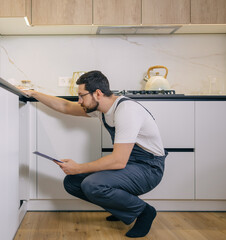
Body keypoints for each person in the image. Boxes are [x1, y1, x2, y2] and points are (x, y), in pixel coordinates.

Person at [22, 70, 167, 238]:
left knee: (92, 184)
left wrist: (79, 168)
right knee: (72, 183)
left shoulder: (126, 110)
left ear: (97, 93)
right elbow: (65, 107)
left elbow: (119, 161)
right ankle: (124, 210)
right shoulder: (102, 109)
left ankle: (144, 212)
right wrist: (32, 93)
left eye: (82, 96)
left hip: (148, 168)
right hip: (130, 164)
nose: (79, 101)